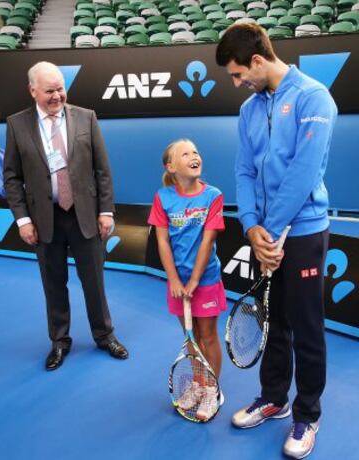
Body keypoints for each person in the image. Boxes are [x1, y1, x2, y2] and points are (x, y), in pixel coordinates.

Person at [216, 24, 337, 459]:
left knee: (305, 326)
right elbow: (244, 171)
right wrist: (252, 227)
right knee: (274, 322)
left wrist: (275, 231)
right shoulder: (249, 109)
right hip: (266, 235)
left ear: (257, 60)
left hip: (302, 233)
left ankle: (307, 414)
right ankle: (274, 398)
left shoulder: (313, 98)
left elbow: (305, 172)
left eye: (237, 74)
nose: (237, 83)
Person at [4, 61, 128, 371]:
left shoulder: (86, 118)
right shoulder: (17, 125)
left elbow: (102, 169)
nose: (58, 95)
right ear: (33, 91)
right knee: (53, 284)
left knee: (94, 283)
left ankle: (105, 335)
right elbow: (11, 178)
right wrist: (22, 219)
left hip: (85, 214)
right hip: (43, 220)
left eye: (60, 88)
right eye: (49, 90)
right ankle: (59, 341)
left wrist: (105, 211)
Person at [148, 139, 227, 420]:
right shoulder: (163, 197)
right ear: (171, 166)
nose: (194, 155)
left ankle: (212, 390)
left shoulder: (213, 195)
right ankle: (197, 384)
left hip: (204, 280)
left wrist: (194, 280)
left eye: (195, 151)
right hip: (177, 284)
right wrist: (174, 279)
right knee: (190, 338)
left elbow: (208, 240)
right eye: (185, 153)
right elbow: (162, 241)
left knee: (207, 336)